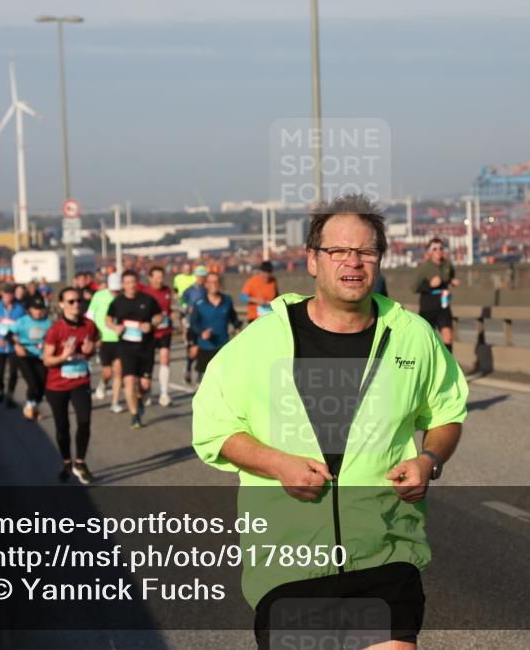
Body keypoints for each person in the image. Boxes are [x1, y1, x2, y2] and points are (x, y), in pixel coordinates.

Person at [192, 195, 468, 650]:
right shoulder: (261, 341)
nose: (352, 262)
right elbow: (213, 429)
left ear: (379, 261)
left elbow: (447, 412)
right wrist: (277, 464)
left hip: (385, 550)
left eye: (365, 251)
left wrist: (430, 459)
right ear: (313, 261)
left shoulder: (412, 335)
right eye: (338, 251)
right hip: (290, 561)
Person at [42, 286, 99, 484]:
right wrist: (63, 356)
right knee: (62, 426)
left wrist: (90, 351)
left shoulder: (89, 325)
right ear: (61, 305)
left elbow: (93, 346)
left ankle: (80, 462)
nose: (76, 305)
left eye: (79, 301)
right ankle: (66, 461)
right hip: (57, 385)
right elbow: (47, 360)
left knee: (84, 420)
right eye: (71, 301)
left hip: (80, 380)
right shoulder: (55, 329)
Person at [105, 271, 162, 430]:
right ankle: (134, 414)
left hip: (146, 346)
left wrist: (151, 324)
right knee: (128, 381)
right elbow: (108, 319)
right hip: (126, 346)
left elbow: (160, 317)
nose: (131, 285)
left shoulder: (148, 300)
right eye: (127, 282)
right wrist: (115, 327)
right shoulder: (118, 302)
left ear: (137, 283)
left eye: (133, 282)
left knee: (145, 385)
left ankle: (140, 399)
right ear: (123, 285)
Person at [188, 272, 240, 383]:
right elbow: (193, 324)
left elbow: (233, 318)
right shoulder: (199, 303)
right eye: (210, 282)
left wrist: (238, 329)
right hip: (205, 347)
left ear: (220, 283)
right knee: (204, 383)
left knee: (224, 382)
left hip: (223, 346)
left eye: (216, 281)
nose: (214, 284)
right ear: (206, 284)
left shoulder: (227, 300)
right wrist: (201, 333)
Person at [138, 265, 176, 407]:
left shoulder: (167, 290)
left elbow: (167, 308)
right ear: (150, 278)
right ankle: (146, 391)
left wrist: (172, 314)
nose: (160, 281)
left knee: (165, 358)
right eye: (157, 277)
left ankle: (164, 394)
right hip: (149, 332)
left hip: (165, 330)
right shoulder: (144, 291)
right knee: (148, 363)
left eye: (162, 277)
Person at [413, 237, 459, 352]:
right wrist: (430, 285)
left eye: (441, 248)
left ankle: (448, 365)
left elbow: (450, 277)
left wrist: (451, 281)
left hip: (444, 305)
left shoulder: (447, 265)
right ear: (430, 252)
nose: (438, 251)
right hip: (428, 306)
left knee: (448, 336)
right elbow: (414, 288)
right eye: (435, 249)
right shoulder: (424, 268)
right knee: (426, 339)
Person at [87, 272, 124, 413]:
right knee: (107, 372)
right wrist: (93, 335)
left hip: (120, 339)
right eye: (113, 290)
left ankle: (114, 402)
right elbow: (90, 316)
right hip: (103, 339)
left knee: (119, 371)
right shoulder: (99, 296)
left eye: (117, 290)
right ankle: (102, 384)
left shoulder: (122, 297)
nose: (115, 292)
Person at [11, 293, 52, 420]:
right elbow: (8, 334)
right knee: (33, 383)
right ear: (29, 309)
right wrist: (16, 345)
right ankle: (29, 406)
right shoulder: (22, 321)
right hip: (25, 355)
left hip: (40, 355)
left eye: (40, 309)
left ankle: (34, 407)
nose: (38, 312)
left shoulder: (47, 323)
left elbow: (52, 338)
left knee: (43, 384)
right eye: (35, 309)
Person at [0, 283, 26, 406]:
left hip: (13, 346)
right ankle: (0, 389)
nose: (8, 296)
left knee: (13, 373)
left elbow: (24, 326)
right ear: (2, 294)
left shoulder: (20, 309)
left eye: (10, 293)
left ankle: (10, 396)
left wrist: (20, 336)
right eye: (6, 293)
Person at [180, 266, 209, 384]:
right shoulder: (189, 291)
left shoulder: (207, 290)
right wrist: (187, 310)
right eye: (199, 277)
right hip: (191, 323)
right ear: (196, 277)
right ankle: (188, 367)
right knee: (193, 350)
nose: (201, 279)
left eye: (203, 277)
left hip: (204, 324)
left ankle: (200, 375)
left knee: (203, 349)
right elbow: (181, 303)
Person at [240, 260, 279, 324]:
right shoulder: (252, 281)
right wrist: (255, 300)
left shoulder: (273, 281)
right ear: (260, 272)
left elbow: (276, 295)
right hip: (255, 319)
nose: (266, 277)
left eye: (268, 274)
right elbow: (242, 297)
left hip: (269, 317)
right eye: (264, 274)